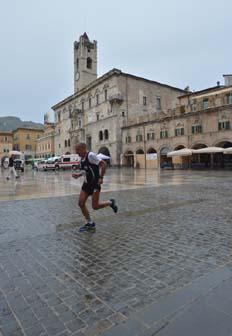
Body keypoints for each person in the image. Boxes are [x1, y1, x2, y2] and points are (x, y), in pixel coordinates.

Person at [72, 142, 118, 232]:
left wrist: (101, 177)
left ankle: (110, 203)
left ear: (83, 148)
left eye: (78, 149)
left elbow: (103, 164)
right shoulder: (81, 159)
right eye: (76, 149)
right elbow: (85, 171)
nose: (76, 152)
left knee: (95, 206)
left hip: (94, 184)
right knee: (81, 203)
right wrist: (78, 175)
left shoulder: (91, 156)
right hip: (86, 184)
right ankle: (90, 223)